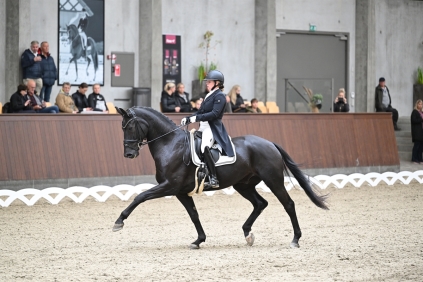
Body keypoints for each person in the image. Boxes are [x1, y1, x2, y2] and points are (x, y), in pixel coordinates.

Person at [181, 70, 235, 188]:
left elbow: (214, 114)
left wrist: (196, 118)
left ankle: (213, 178)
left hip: (212, 127)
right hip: (203, 126)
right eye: (207, 81)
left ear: (217, 83)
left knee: (204, 146)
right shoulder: (209, 95)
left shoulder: (220, 96)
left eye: (209, 82)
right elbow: (200, 112)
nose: (207, 83)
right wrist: (189, 118)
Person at [411, 99, 423, 164]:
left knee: (421, 146)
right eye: (419, 104)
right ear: (417, 105)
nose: (420, 105)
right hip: (417, 131)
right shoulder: (414, 112)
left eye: (421, 104)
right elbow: (414, 120)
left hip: (421, 131)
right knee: (417, 145)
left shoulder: (422, 112)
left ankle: (420, 159)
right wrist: (421, 119)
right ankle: (414, 159)